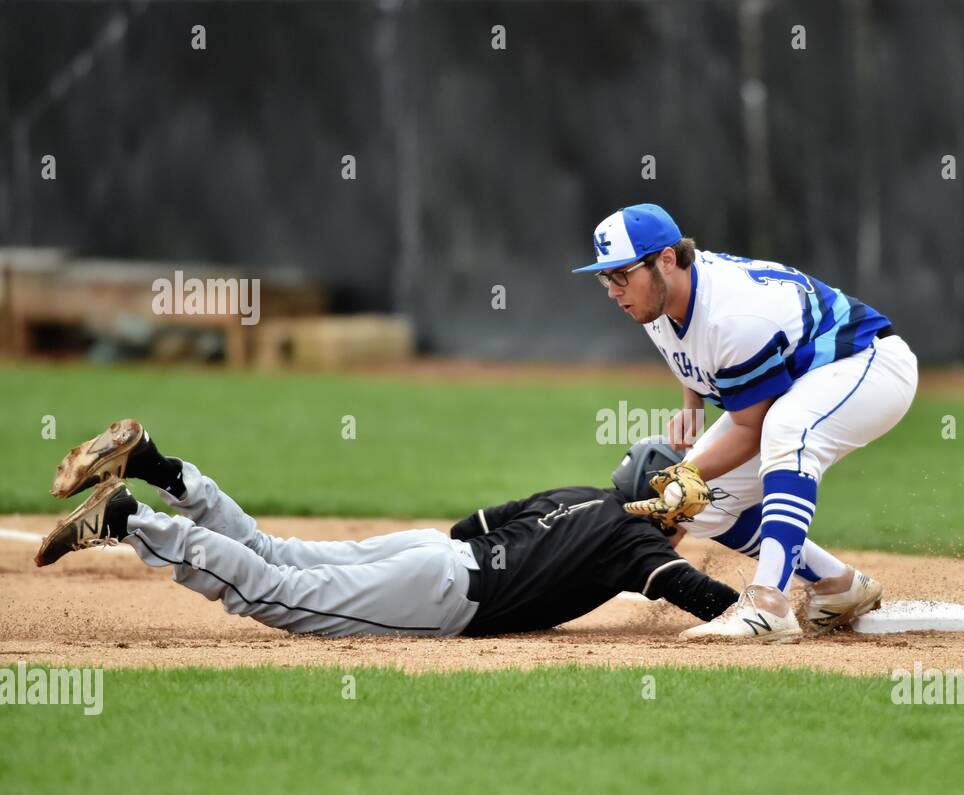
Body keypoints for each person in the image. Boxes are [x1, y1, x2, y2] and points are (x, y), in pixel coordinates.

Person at [35, 421, 748, 638]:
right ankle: (132, 518)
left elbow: (473, 523)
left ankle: (160, 467)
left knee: (278, 553)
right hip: (446, 594)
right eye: (681, 508)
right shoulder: (636, 542)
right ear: (661, 505)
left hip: (435, 550)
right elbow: (701, 598)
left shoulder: (579, 496)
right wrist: (769, 610)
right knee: (276, 592)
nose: (684, 520)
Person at [574, 203, 918, 641]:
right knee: (702, 507)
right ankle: (837, 584)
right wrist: (692, 403)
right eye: (606, 277)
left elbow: (751, 429)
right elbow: (689, 347)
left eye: (621, 274)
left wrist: (688, 472)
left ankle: (768, 603)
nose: (612, 290)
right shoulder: (655, 300)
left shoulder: (733, 316)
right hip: (803, 379)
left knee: (786, 431)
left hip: (869, 364)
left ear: (666, 259)